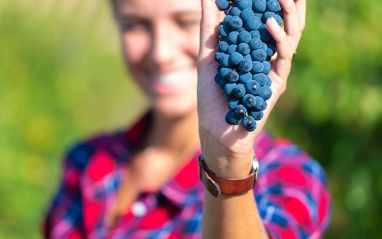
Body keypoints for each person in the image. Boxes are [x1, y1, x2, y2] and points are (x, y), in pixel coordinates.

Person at [43, 0, 332, 238]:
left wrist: (227, 160)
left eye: (183, 21)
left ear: (227, 19)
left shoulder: (289, 176)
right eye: (136, 24)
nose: (161, 52)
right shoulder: (85, 164)